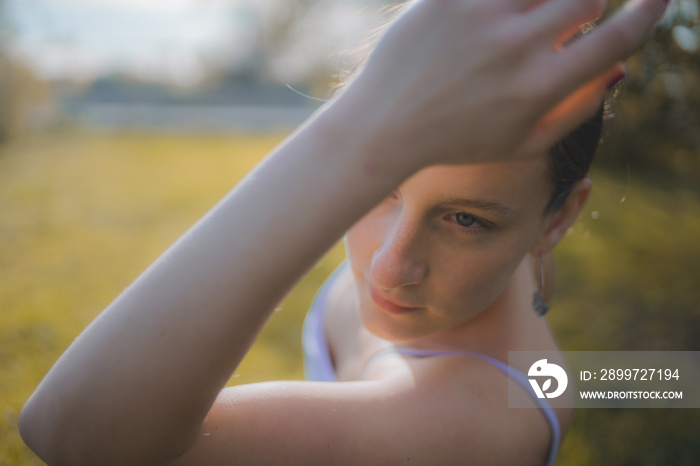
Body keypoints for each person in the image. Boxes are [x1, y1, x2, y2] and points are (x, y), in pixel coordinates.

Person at [18, 0, 668, 464]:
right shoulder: (507, 257)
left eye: (465, 220)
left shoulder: (473, 426)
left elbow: (75, 437)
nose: (388, 267)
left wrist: (354, 141)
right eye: (378, 187)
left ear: (557, 219)